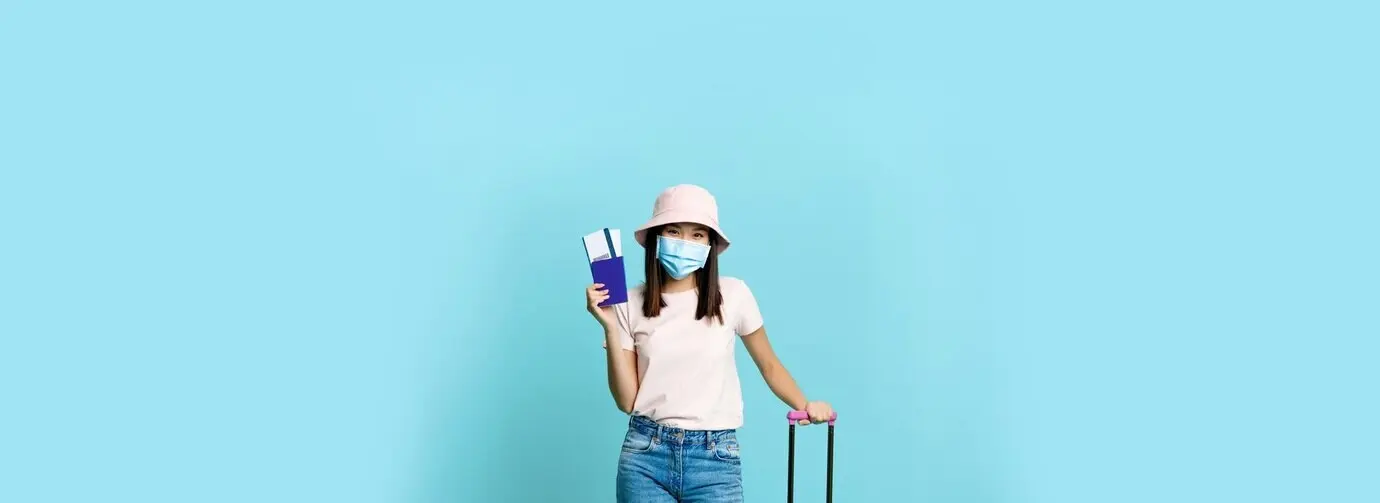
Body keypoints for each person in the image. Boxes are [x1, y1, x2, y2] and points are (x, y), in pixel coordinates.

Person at [585, 184, 834, 503]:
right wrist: (609, 326)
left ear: (709, 245)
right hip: (645, 456)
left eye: (697, 234)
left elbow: (769, 364)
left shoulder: (734, 294)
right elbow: (626, 401)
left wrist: (804, 404)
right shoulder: (629, 303)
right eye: (674, 231)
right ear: (657, 238)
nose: (684, 242)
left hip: (715, 459)